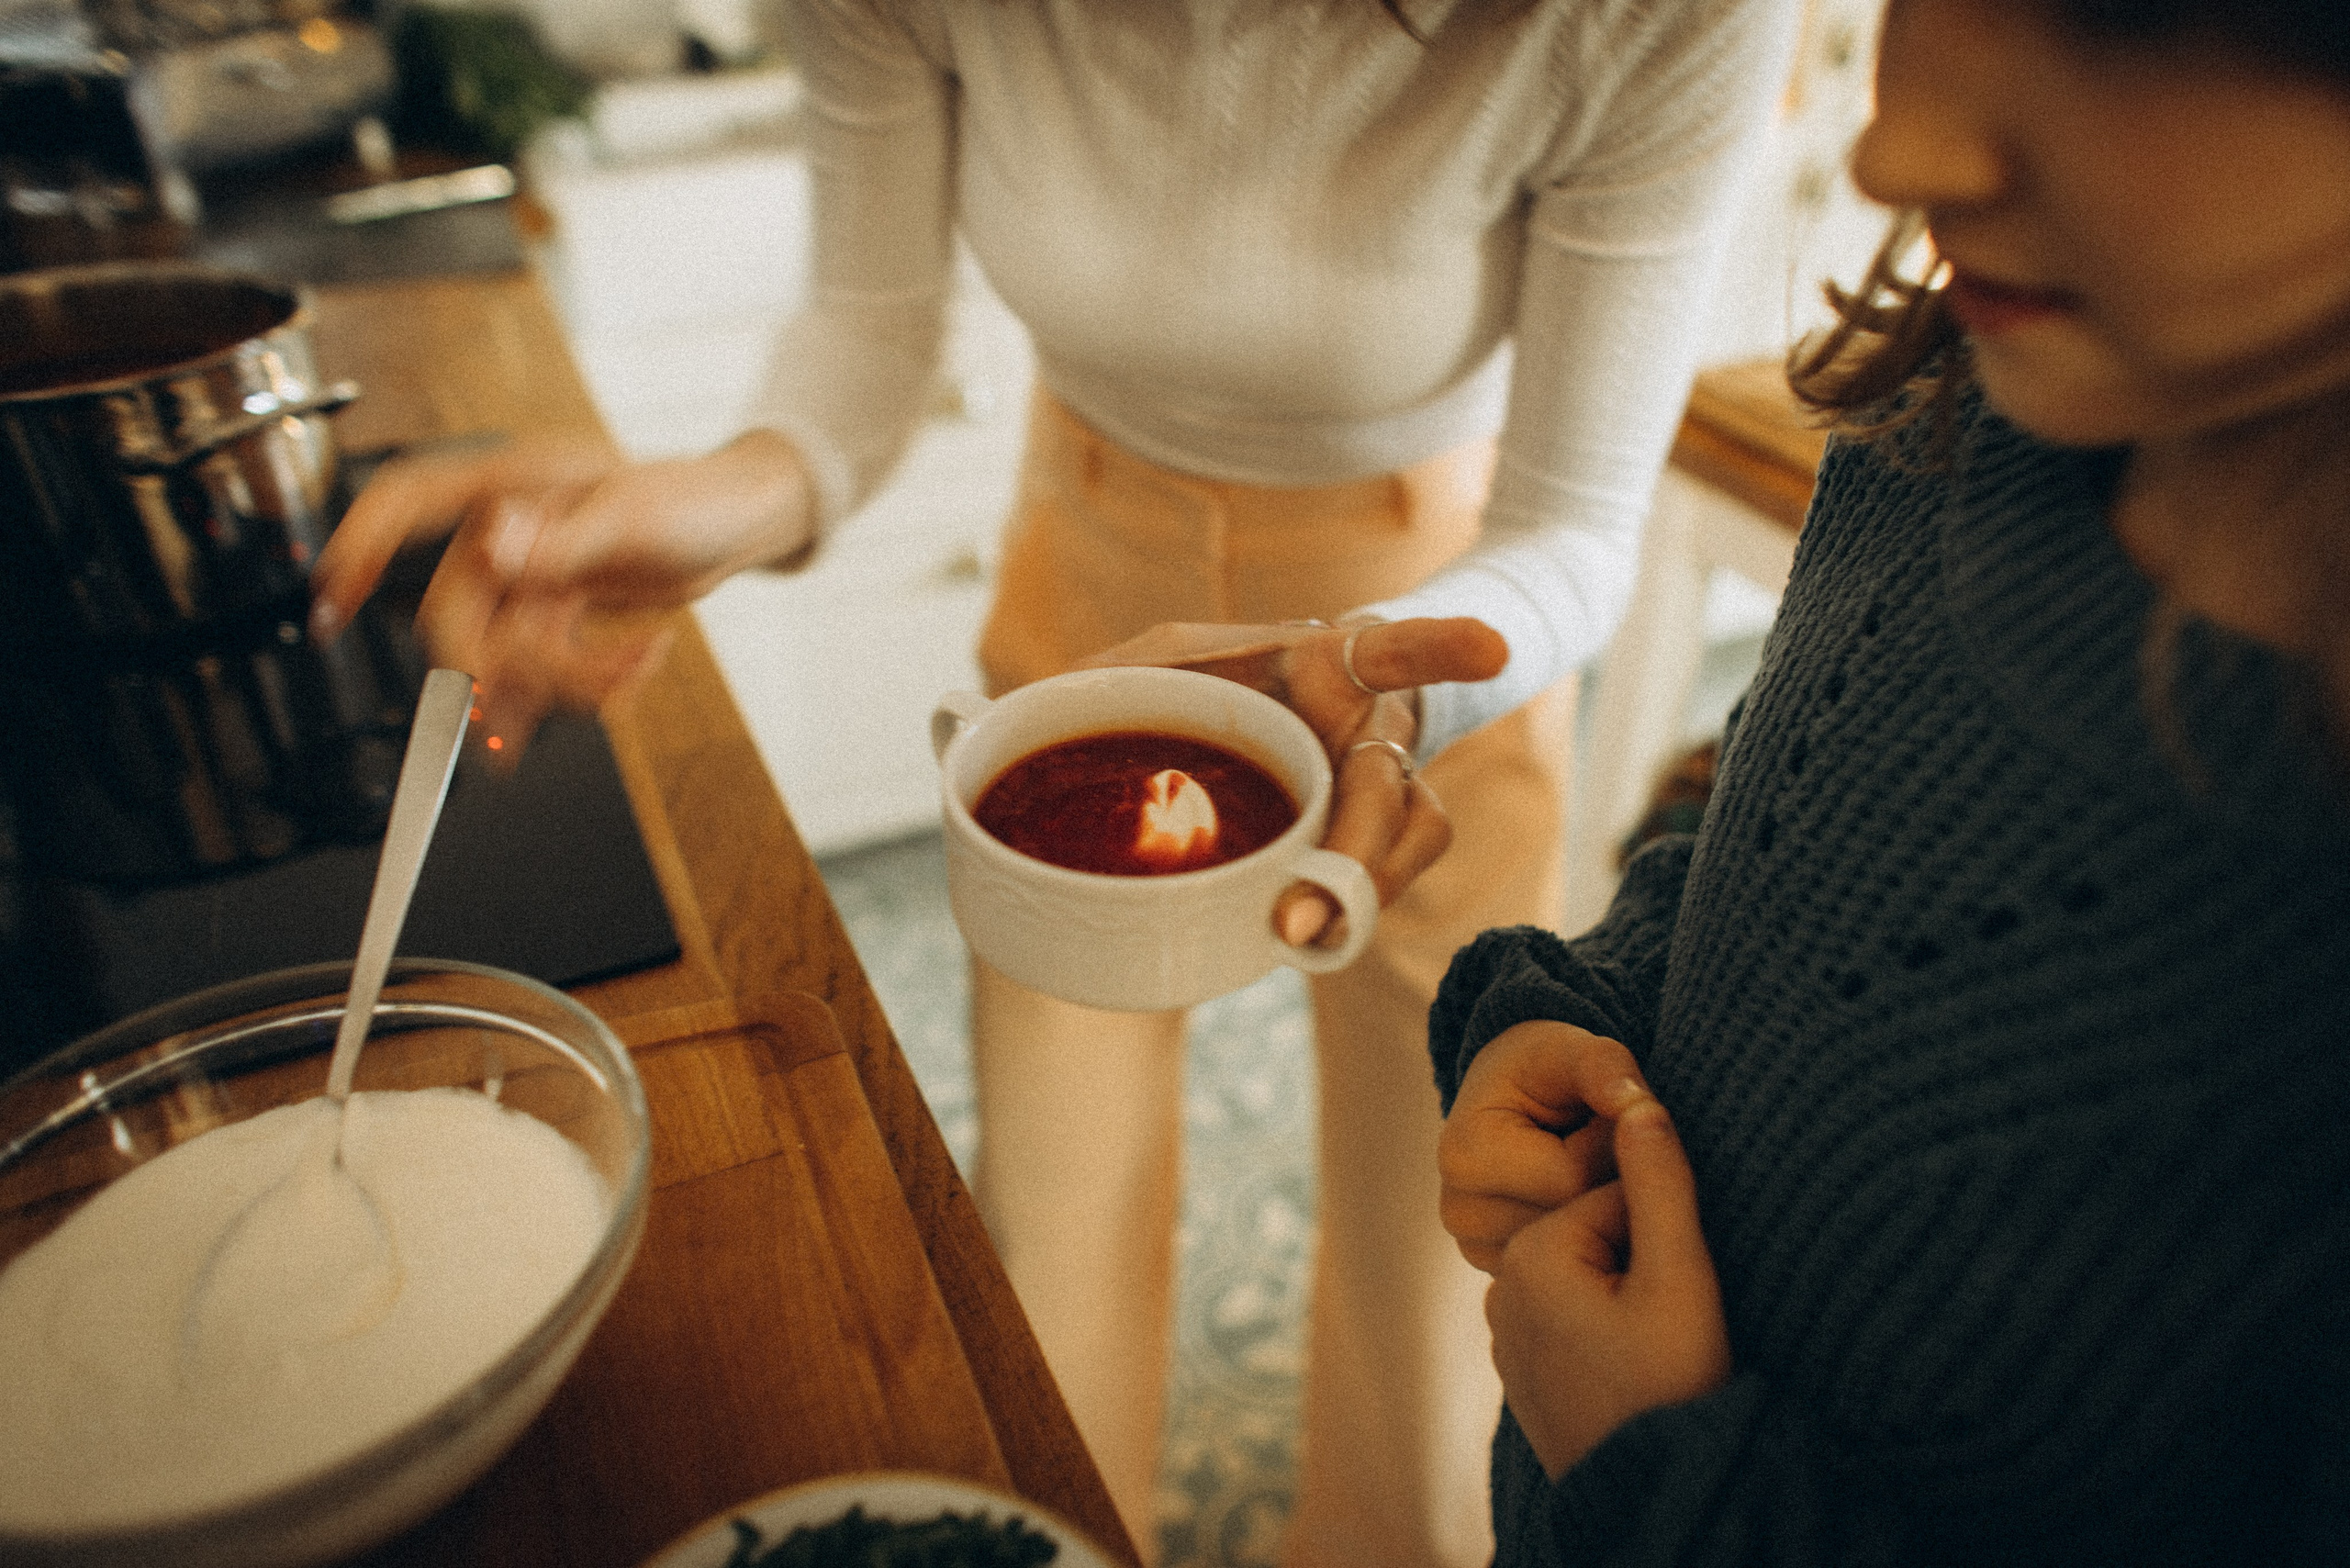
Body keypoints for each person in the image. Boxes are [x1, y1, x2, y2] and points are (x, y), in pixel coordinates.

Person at [307, 2, 1802, 1561]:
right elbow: (868, 333)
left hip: (1433, 634)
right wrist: (724, 499)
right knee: (1050, 1258)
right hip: (1094, 563)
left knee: (1441, 1272)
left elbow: (1576, 518)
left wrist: (1385, 675)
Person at [1427, 0, 2350, 1562]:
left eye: (2124, 25)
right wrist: (1589, 1006)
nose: (1889, 142)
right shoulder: (1964, 401)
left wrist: (1670, 1484)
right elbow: (1762, 795)